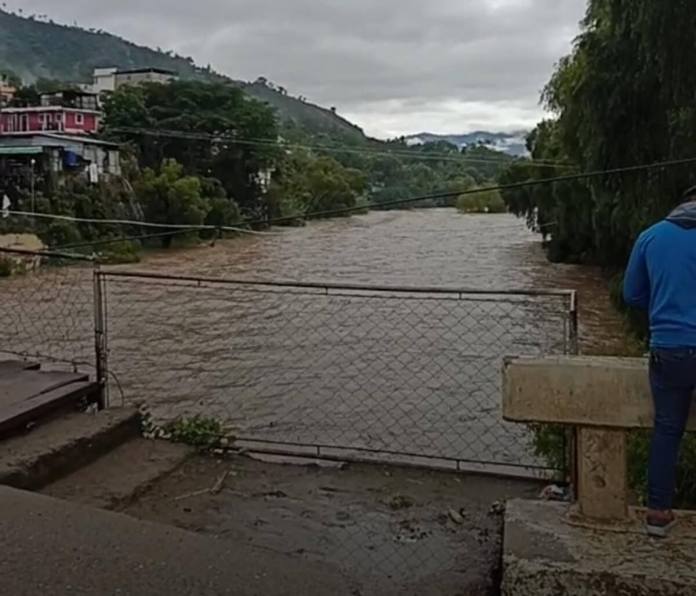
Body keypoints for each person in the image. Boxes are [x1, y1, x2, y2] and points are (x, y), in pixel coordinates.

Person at [624, 186, 696, 538]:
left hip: (668, 348)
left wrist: (665, 304)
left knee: (667, 430)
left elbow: (632, 294)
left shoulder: (651, 236)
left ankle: (657, 514)